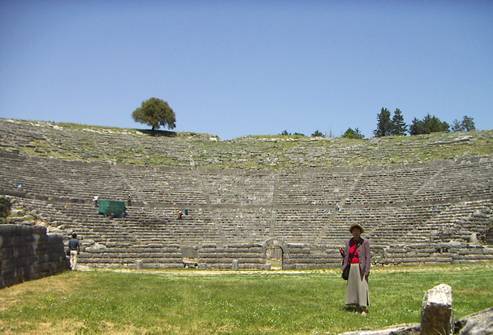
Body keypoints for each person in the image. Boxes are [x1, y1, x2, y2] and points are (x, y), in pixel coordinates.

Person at [342, 224, 371, 315]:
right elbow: (347, 255)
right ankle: (356, 306)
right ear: (352, 232)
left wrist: (367, 269)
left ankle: (363, 308)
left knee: (362, 286)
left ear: (360, 232)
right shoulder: (348, 242)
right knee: (353, 287)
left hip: (360, 267)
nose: (356, 232)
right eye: (354, 231)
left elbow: (368, 257)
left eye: (357, 231)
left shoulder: (365, 242)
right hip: (351, 267)